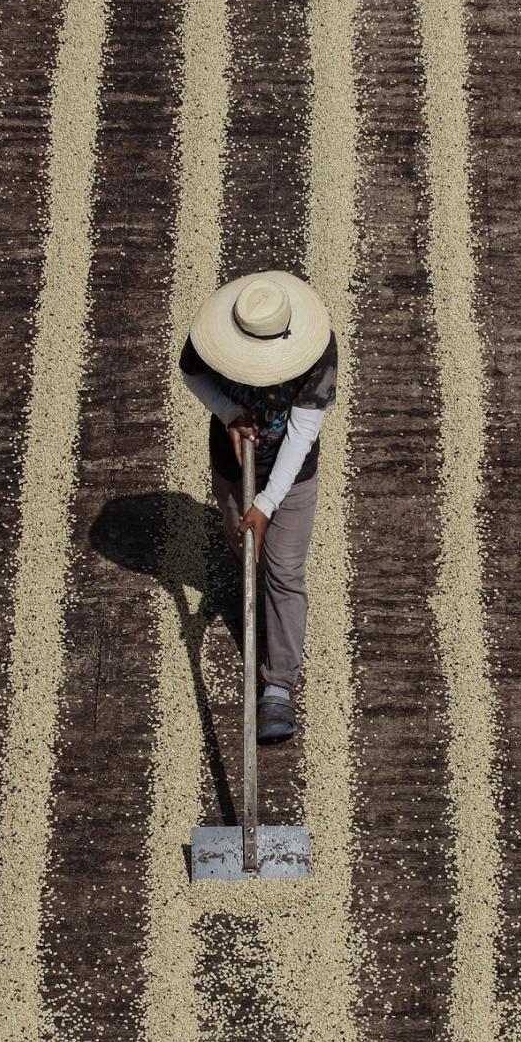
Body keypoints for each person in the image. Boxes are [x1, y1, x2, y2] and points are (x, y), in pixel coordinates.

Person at [180, 268, 337, 745]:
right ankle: (257, 603)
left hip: (292, 467)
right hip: (232, 462)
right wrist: (229, 413)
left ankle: (278, 686)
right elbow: (191, 371)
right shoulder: (210, 338)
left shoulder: (320, 352)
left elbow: (302, 432)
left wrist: (267, 503)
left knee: (285, 569)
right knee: (242, 548)